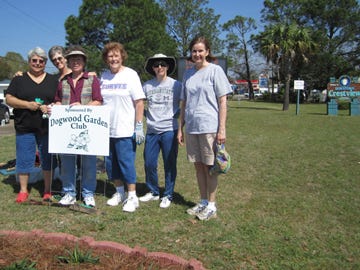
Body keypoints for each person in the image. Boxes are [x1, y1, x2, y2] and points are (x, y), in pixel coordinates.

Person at [177, 36, 232, 221]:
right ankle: (202, 201)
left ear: (207, 52)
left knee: (211, 167)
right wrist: (180, 127)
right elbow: (183, 103)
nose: (197, 54)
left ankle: (211, 205)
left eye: (200, 50)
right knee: (198, 167)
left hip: (209, 127)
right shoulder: (188, 74)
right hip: (192, 127)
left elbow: (222, 101)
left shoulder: (215, 71)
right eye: (194, 51)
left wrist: (221, 129)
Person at [5, 47, 58, 203]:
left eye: (41, 61)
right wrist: (27, 105)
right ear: (29, 62)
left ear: (45, 63)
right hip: (24, 126)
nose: (37, 63)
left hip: (47, 127)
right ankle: (23, 190)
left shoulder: (52, 80)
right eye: (34, 60)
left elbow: (58, 99)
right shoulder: (19, 79)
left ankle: (48, 190)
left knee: (47, 159)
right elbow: (9, 99)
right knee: (24, 158)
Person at [53, 45, 103, 207]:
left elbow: (98, 101)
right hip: (67, 128)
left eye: (79, 59)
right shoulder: (62, 82)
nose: (75, 62)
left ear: (84, 62)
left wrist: (82, 107)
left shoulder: (92, 79)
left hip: (88, 126)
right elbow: (58, 100)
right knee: (67, 161)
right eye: (72, 59)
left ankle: (88, 193)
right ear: (68, 61)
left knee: (89, 161)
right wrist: (56, 106)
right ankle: (69, 192)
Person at [100, 42, 145, 213]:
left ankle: (132, 196)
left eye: (116, 55)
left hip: (125, 129)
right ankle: (119, 192)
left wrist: (138, 126)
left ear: (122, 56)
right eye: (110, 56)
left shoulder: (131, 75)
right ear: (106, 59)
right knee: (110, 164)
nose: (113, 58)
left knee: (126, 163)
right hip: (106, 130)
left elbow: (139, 102)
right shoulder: (103, 76)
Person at [139, 54, 181, 208]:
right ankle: (153, 191)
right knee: (149, 163)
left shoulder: (176, 85)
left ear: (168, 67)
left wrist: (178, 116)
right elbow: (138, 103)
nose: (159, 67)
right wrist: (145, 114)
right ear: (152, 68)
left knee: (169, 164)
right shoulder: (147, 86)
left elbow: (186, 102)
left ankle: (168, 194)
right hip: (152, 130)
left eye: (163, 64)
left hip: (170, 130)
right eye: (156, 65)